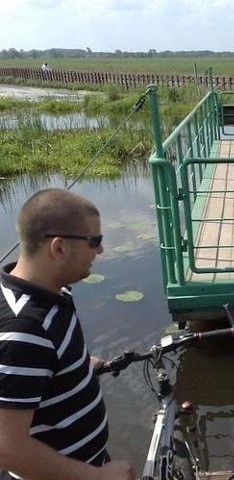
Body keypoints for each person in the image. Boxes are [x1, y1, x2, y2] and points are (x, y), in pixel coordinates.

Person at [0, 189, 135, 480]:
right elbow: (8, 447)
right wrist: (95, 477)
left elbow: (38, 364)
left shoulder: (49, 293)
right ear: (59, 247)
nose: (100, 250)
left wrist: (79, 366)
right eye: (94, 241)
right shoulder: (24, 331)